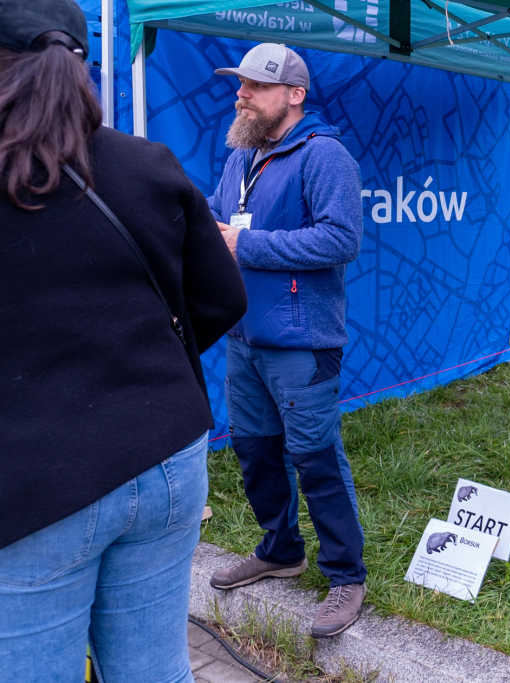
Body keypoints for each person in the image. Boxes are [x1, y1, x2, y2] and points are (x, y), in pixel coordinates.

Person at [0, 1, 248, 681]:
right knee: (154, 667)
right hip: (168, 453)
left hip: (33, 486)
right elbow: (222, 296)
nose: (242, 95)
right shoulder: (146, 163)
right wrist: (139, 366)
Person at [205, 43, 367, 638]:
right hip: (244, 337)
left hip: (302, 341)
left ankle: (346, 575)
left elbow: (339, 240)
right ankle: (280, 551)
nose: (241, 94)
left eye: (255, 86)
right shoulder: (242, 154)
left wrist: (244, 246)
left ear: (295, 94)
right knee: (255, 453)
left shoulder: (325, 156)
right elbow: (219, 217)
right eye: (239, 83)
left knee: (315, 458)